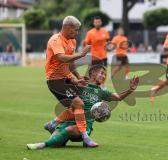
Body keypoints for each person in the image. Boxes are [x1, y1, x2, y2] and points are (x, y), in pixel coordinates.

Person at [26, 65, 139, 149]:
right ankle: (57, 131)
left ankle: (41, 145)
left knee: (68, 130)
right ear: (92, 73)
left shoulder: (101, 92)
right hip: (68, 121)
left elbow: (118, 97)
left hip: (84, 127)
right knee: (56, 142)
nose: (103, 76)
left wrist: (131, 89)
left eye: (104, 74)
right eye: (101, 73)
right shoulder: (79, 86)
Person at [45, 15, 98, 147]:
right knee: (78, 103)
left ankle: (54, 124)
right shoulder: (55, 40)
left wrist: (78, 77)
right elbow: (62, 58)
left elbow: (71, 63)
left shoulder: (72, 41)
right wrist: (81, 54)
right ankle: (85, 137)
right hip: (55, 80)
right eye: (75, 30)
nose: (77, 32)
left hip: (66, 77)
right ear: (67, 28)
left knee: (78, 104)